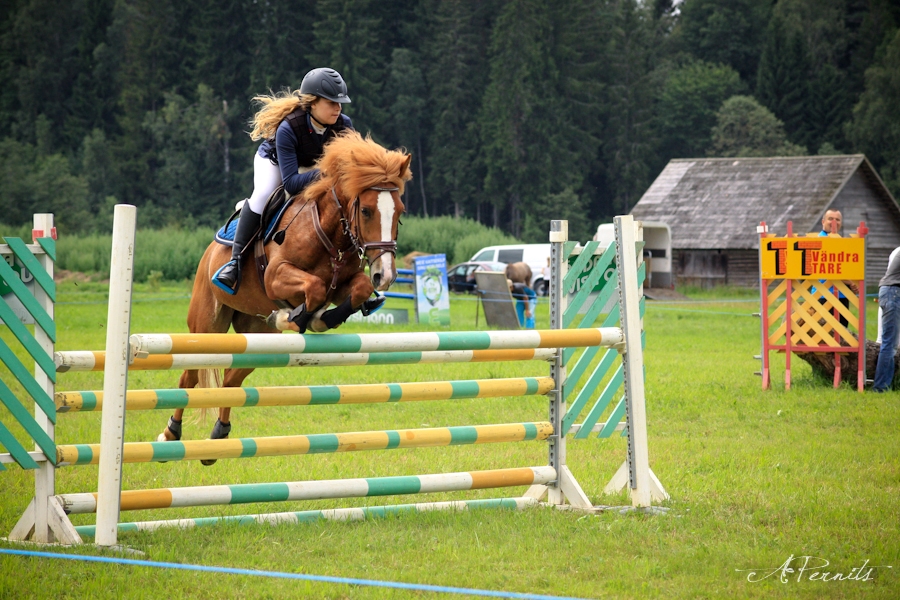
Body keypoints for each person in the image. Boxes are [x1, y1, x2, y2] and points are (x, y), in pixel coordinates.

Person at [212, 67, 353, 295]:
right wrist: (327, 173)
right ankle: (235, 263)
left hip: (315, 167)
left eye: (340, 103)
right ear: (313, 103)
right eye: (331, 102)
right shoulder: (289, 127)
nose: (338, 108)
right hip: (276, 163)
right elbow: (291, 184)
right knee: (263, 195)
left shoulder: (344, 125)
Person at [815, 209, 858, 328]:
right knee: (824, 334)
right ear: (823, 221)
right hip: (823, 294)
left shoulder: (840, 242)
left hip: (842, 295)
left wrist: (852, 283)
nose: (834, 222)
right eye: (830, 219)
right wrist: (851, 283)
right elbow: (830, 270)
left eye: (837, 219)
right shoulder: (820, 240)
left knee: (842, 334)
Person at [873, 247, 900, 392]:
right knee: (890, 344)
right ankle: (880, 387)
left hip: (891, 292)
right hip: (893, 293)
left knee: (890, 343)